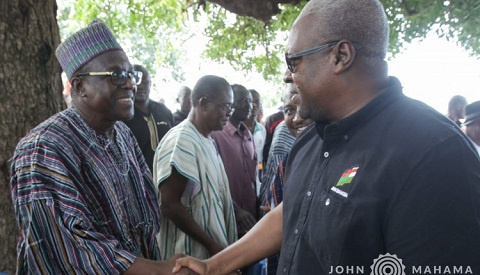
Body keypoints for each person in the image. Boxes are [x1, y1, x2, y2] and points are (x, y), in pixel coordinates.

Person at [173, 0, 480, 274]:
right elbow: (292, 212)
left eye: (294, 61)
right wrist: (213, 266)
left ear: (340, 56)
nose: (286, 76)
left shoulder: (436, 156)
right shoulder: (311, 139)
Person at [9, 20, 186, 274]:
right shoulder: (43, 147)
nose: (129, 84)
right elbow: (68, 248)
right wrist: (160, 270)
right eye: (116, 75)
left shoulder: (123, 134)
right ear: (80, 87)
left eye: (130, 74)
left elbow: (147, 219)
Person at [153, 75, 237, 260]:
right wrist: (212, 245)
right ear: (204, 103)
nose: (229, 113)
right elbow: (169, 205)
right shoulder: (181, 140)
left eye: (231, 107)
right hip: (188, 255)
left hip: (210, 255)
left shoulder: (206, 139)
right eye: (226, 106)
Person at [260, 85, 313, 275]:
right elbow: (277, 218)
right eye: (289, 110)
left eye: (305, 106)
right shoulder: (287, 163)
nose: (297, 118)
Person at [211, 84, 257, 238]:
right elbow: (213, 180)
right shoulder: (216, 135)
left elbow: (252, 178)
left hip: (250, 221)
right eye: (243, 100)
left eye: (250, 101)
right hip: (226, 220)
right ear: (230, 103)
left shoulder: (248, 135)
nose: (248, 106)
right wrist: (237, 211)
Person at [124, 64, 174, 172]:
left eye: (145, 82)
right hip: (139, 179)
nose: (141, 86)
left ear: (150, 84)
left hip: (168, 175)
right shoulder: (123, 116)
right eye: (136, 81)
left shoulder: (164, 111)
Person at [245, 89, 267, 196]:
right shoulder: (239, 129)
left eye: (256, 102)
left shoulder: (262, 129)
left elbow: (261, 158)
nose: (253, 105)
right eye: (250, 101)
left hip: (256, 179)